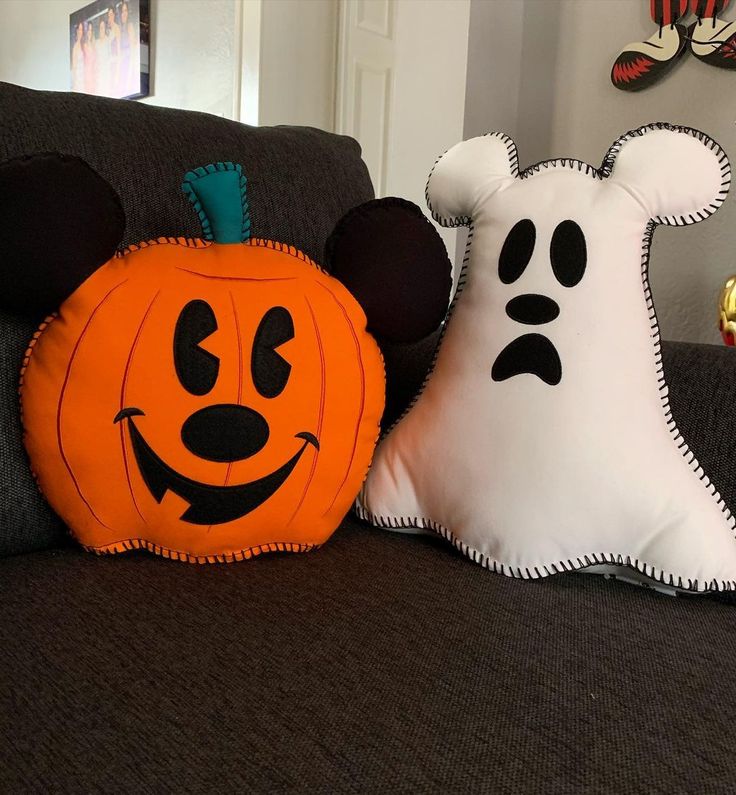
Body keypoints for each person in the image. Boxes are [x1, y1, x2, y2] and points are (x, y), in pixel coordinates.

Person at [82, 21, 97, 95]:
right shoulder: (85, 45)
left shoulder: (93, 44)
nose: (90, 32)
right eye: (88, 30)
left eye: (91, 30)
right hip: (88, 74)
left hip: (94, 74)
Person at [70, 21, 84, 92]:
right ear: (77, 31)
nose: (80, 32)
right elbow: (74, 67)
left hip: (83, 78)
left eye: (82, 30)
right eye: (79, 29)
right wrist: (75, 84)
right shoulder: (75, 47)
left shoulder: (82, 45)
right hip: (78, 81)